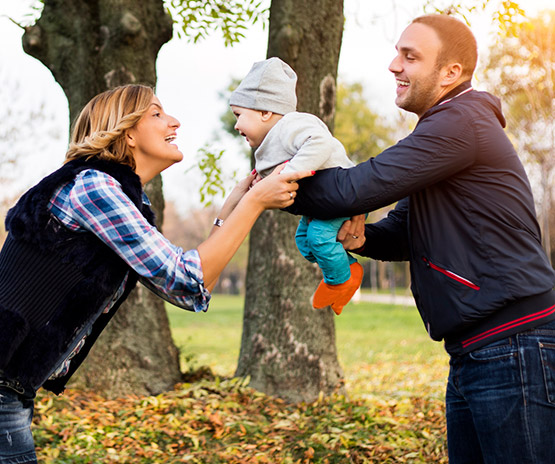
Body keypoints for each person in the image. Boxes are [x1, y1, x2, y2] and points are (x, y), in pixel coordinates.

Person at [286, 14, 555, 464]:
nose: (394, 65)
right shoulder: (444, 131)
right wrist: (358, 240)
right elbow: (403, 233)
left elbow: (354, 188)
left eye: (410, 56)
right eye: (397, 52)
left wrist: (274, 183)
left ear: (451, 73)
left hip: (512, 346)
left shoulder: (461, 124)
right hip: (477, 351)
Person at [0, 84, 313, 463]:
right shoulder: (94, 186)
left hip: (12, 389)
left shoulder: (118, 195)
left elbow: (191, 289)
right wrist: (254, 203)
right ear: (128, 133)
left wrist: (235, 205)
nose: (174, 121)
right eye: (157, 113)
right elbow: (186, 277)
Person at [230, 57, 363, 315]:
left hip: (342, 195)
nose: (236, 125)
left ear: (265, 112)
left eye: (239, 115)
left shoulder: (292, 124)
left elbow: (320, 143)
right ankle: (348, 268)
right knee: (303, 241)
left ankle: (339, 281)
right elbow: (272, 175)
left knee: (318, 237)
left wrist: (289, 174)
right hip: (321, 203)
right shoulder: (268, 142)